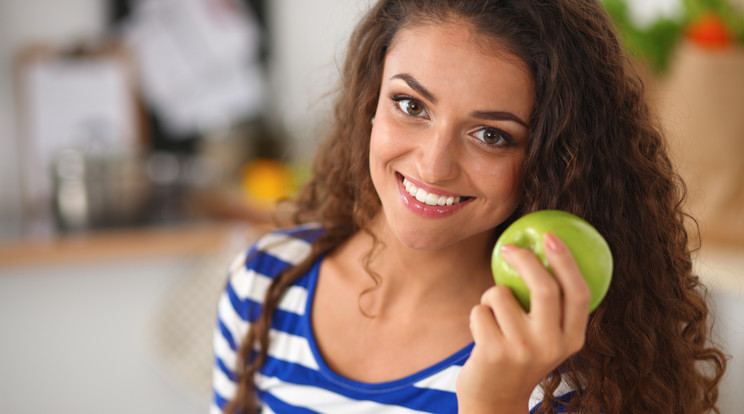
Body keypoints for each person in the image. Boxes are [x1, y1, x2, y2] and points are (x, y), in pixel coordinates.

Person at [210, 0, 728, 413]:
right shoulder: (267, 283)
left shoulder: (564, 371)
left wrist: (494, 403)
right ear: (371, 99)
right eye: (411, 105)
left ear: (553, 158)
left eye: (490, 135)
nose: (434, 166)